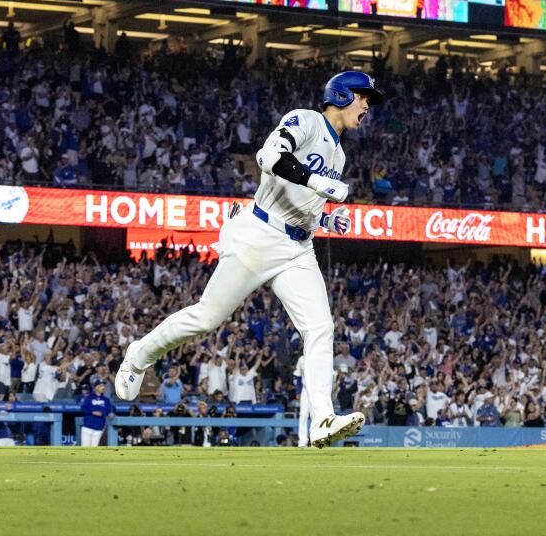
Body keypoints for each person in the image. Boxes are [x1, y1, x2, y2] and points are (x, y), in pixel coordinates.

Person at [116, 71, 383, 448]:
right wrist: (318, 182)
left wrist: (325, 218)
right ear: (340, 95)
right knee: (208, 317)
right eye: (363, 97)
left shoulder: (339, 152)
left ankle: (323, 418)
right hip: (260, 234)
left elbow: (302, 204)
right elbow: (268, 157)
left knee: (321, 328)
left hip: (298, 247)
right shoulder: (306, 119)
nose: (367, 106)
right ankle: (139, 353)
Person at [80, 379, 112, 447]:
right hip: (88, 427)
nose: (103, 387)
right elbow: (83, 409)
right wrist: (93, 412)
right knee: (85, 448)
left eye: (103, 385)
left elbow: (109, 411)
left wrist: (111, 414)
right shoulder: (89, 398)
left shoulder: (106, 400)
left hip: (99, 428)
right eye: (101, 386)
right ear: (96, 387)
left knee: (95, 450)